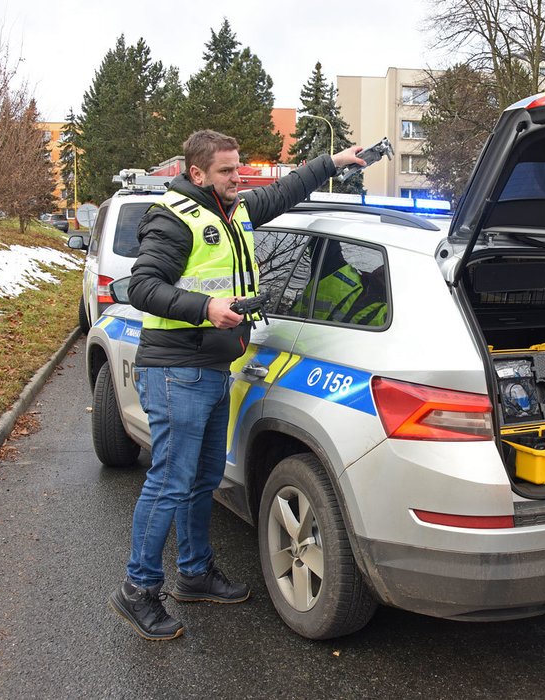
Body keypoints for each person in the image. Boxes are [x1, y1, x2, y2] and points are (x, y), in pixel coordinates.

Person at [109, 129, 365, 641]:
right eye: (227, 171)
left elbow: (287, 189)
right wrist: (206, 308)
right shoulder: (173, 218)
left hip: (213, 367)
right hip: (177, 368)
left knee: (202, 478)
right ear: (198, 173)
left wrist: (334, 160)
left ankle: (195, 573)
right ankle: (137, 589)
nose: (238, 177)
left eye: (239, 168)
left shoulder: (237, 209)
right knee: (168, 481)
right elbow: (141, 287)